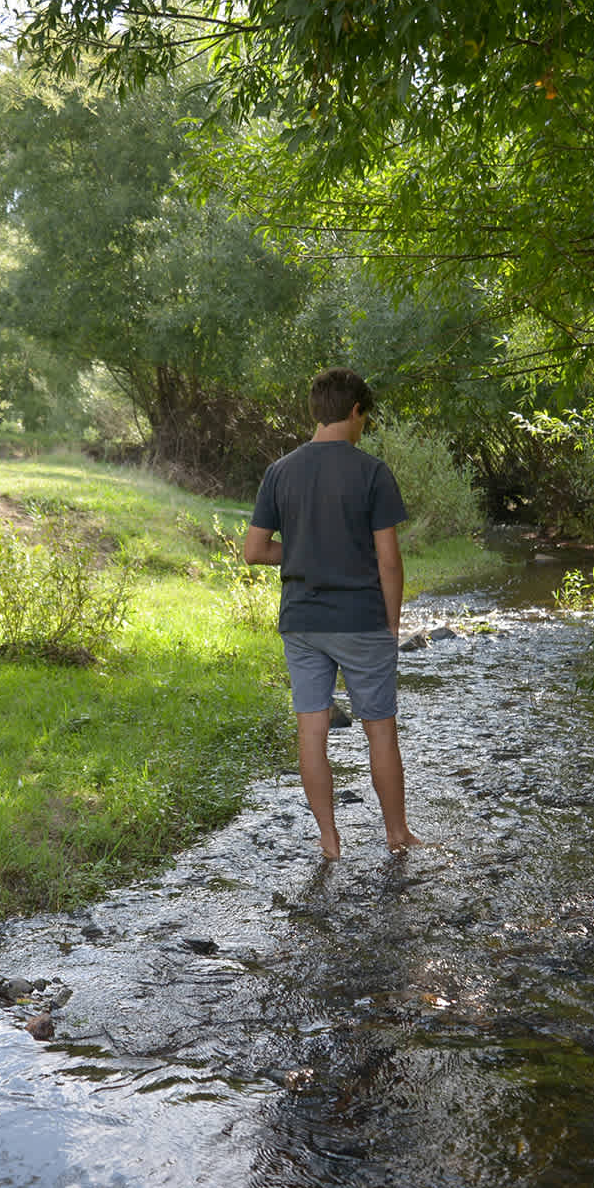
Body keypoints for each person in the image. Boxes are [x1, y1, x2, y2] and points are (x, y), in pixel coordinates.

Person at [243, 367, 417, 860]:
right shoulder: (372, 472)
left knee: (312, 731)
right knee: (379, 729)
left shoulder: (280, 471)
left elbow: (254, 550)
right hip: (361, 617)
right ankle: (396, 834)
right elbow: (389, 560)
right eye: (366, 417)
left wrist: (299, 553)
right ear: (356, 411)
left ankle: (329, 840)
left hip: (302, 621)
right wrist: (392, 622)